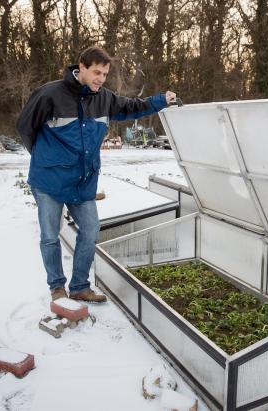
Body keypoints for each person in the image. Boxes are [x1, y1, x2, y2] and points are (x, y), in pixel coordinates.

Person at [16, 46, 176, 302]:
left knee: (91, 231)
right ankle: (57, 287)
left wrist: (160, 101)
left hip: (83, 182)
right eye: (96, 72)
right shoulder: (50, 94)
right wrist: (45, 156)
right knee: (49, 236)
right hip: (49, 181)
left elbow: (133, 106)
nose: (100, 79)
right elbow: (25, 127)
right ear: (81, 67)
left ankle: (79, 286)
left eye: (104, 74)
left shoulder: (105, 99)